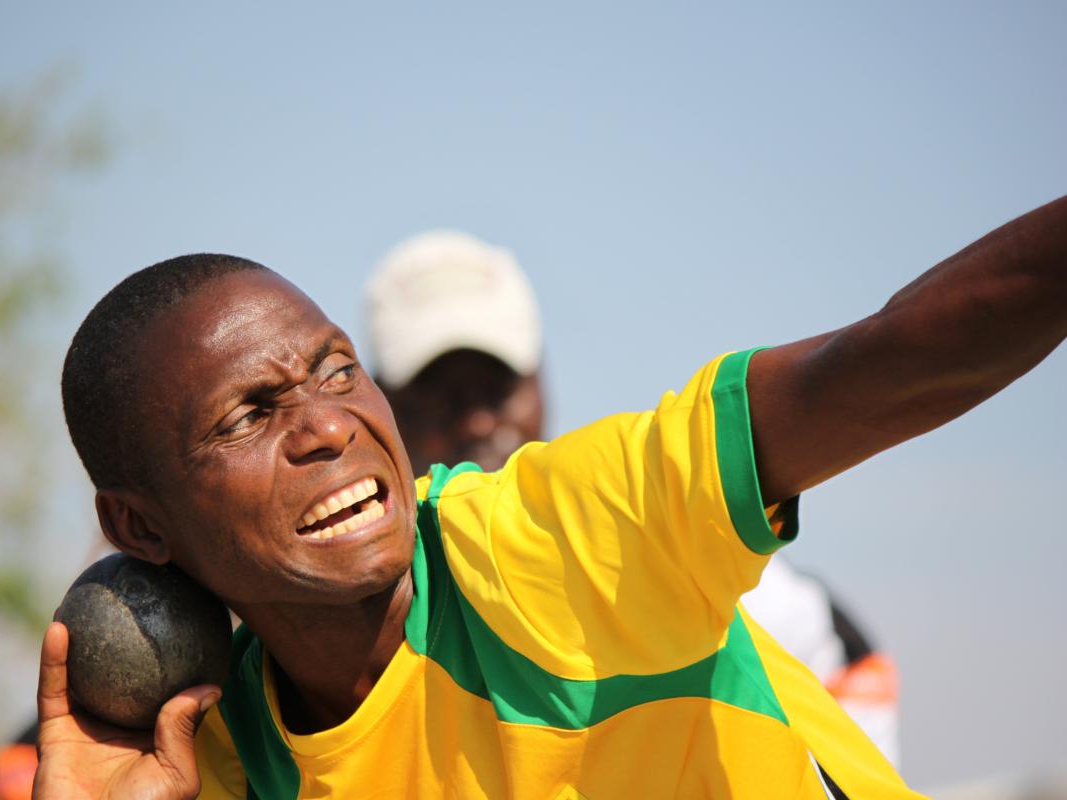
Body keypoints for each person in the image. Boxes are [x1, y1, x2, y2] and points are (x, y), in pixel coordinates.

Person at [35, 195, 1066, 799]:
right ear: (138, 525)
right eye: (249, 416)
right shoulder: (213, 758)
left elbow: (883, 364)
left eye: (337, 371)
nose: (328, 427)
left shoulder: (556, 535)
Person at [363, 229, 903, 766]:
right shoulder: (349, 624)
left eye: (497, 387)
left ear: (539, 382)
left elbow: (847, 665)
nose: (478, 421)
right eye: (441, 396)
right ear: (377, 402)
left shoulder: (663, 550)